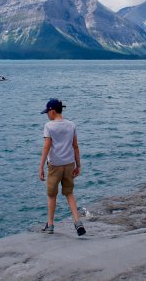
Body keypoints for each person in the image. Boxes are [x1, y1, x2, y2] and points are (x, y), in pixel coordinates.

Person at [38, 98, 86, 236]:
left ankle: (50, 225)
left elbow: (46, 147)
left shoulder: (49, 126)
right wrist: (78, 165)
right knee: (69, 193)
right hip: (69, 164)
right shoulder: (71, 125)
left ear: (52, 111)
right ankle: (77, 222)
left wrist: (41, 167)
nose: (47, 114)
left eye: (47, 112)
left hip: (54, 166)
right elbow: (75, 146)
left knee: (52, 195)